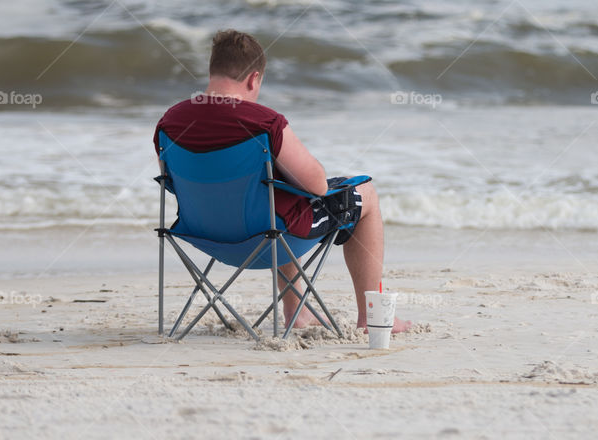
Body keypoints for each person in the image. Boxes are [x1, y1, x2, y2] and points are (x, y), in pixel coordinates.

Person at [155, 30, 411, 333]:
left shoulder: (169, 122)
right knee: (363, 194)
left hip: (202, 236)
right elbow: (317, 185)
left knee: (274, 194)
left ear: (212, 71)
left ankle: (296, 310)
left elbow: (173, 183)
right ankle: (371, 316)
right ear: (253, 79)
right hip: (266, 238)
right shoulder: (264, 122)